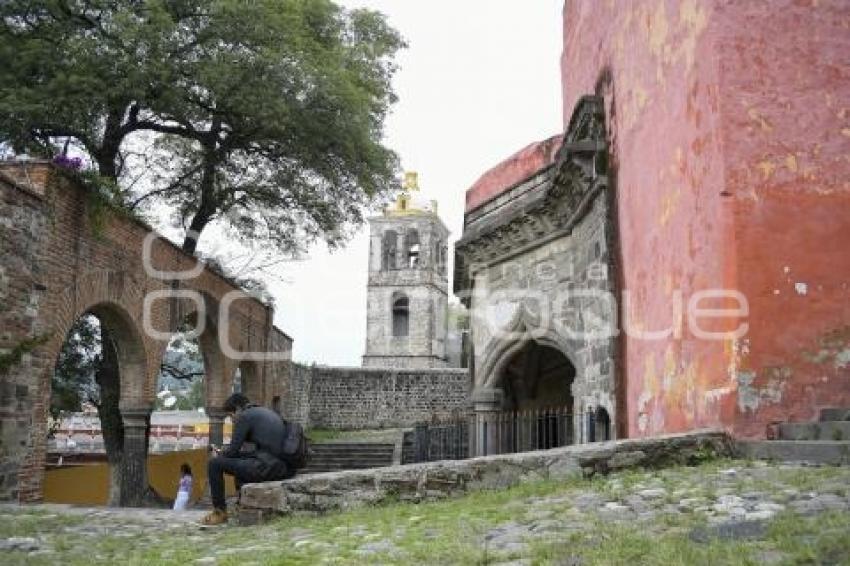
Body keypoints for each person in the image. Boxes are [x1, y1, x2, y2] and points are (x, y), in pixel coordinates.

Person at [202, 393, 293, 525]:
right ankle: (242, 503)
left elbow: (232, 452)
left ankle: (219, 512)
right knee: (239, 463)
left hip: (268, 467)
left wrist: (221, 452)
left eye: (231, 415)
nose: (232, 420)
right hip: (281, 467)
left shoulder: (245, 417)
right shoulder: (263, 412)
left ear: (238, 408)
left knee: (214, 464)